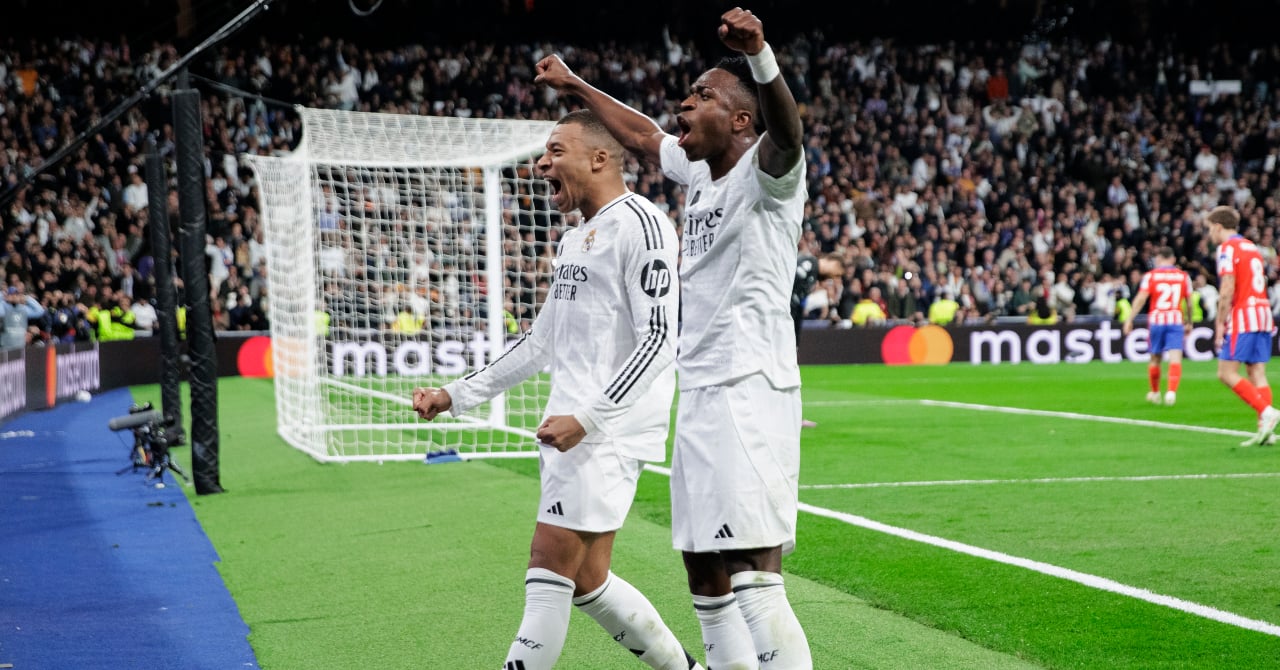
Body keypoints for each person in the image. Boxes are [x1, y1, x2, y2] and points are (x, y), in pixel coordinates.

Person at [536, 8, 813, 668]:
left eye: (702, 95)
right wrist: (575, 85)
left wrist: (760, 56)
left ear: (740, 121)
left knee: (752, 568)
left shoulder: (768, 175)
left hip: (750, 388)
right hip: (701, 391)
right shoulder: (700, 175)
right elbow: (639, 133)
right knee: (703, 567)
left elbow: (789, 133)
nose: (684, 103)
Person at [411, 110, 701, 670]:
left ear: (599, 158)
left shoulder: (641, 223)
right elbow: (539, 342)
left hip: (602, 432)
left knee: (547, 568)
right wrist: (455, 395)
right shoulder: (573, 239)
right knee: (588, 580)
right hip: (574, 429)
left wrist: (588, 419)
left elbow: (659, 339)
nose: (542, 163)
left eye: (555, 151)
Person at [1203, 205, 1280, 446]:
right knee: (1256, 372)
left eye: (1209, 229)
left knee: (1225, 372)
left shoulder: (1227, 248)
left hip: (1244, 314)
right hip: (1263, 312)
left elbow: (1227, 287)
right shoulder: (1251, 247)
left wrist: (1219, 323)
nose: (1209, 234)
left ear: (1218, 227)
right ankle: (1266, 432)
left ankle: (1267, 412)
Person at [1122, 247, 1192, 406]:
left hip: (1157, 320)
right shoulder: (1183, 276)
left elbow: (1141, 298)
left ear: (1159, 259)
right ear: (1173, 259)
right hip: (1175, 320)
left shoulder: (1151, 276)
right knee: (1175, 357)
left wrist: (1129, 319)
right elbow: (1188, 302)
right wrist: (1189, 321)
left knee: (1155, 358)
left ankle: (1155, 393)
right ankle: (1171, 392)